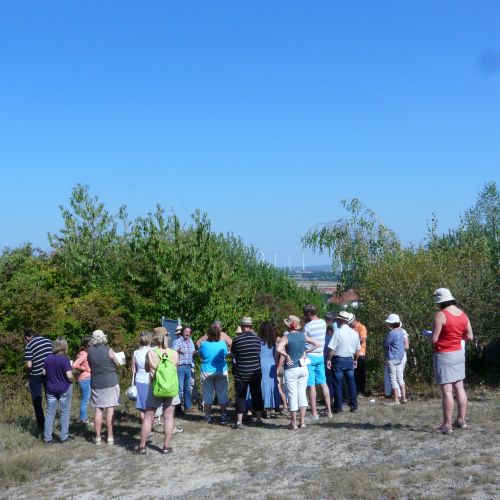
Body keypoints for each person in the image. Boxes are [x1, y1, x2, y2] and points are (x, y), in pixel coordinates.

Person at [431, 288, 473, 434]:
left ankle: (447, 425)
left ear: (440, 302)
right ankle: (461, 420)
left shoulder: (440, 315)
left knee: (447, 391)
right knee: (459, 387)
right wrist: (455, 337)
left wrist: (429, 336)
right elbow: (470, 337)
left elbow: (434, 339)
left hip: (444, 355)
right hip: (458, 354)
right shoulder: (463, 314)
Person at [136, 330, 180, 455]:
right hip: (171, 389)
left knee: (148, 418)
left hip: (155, 388)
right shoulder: (174, 353)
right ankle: (166, 447)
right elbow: (175, 368)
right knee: (169, 417)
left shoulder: (151, 353)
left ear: (155, 339)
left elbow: (146, 369)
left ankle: (142, 447)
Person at [277, 315, 321, 429]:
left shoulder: (286, 337)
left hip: (291, 368)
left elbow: (278, 348)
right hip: (303, 367)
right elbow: (318, 344)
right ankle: (302, 421)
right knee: (302, 394)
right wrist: (306, 351)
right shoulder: (303, 336)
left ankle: (293, 423)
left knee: (292, 395)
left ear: (288, 325)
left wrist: (286, 355)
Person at [87, 329, 121, 445]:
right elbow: (117, 364)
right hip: (110, 382)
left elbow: (91, 365)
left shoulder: (89, 352)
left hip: (96, 382)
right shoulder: (109, 350)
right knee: (110, 409)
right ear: (103, 338)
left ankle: (97, 437)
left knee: (98, 409)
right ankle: (110, 437)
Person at [231, 317, 264, 429]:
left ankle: (239, 422)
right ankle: (259, 419)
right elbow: (258, 354)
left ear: (242, 326)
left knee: (240, 396)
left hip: (241, 372)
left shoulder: (236, 340)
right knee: (257, 395)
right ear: (251, 327)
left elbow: (234, 355)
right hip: (255, 371)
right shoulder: (257, 339)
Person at [326, 311, 361, 413]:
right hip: (349, 359)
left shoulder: (338, 333)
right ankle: (354, 406)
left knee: (337, 384)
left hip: (338, 359)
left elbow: (332, 349)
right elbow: (358, 350)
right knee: (351, 383)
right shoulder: (355, 333)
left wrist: (328, 359)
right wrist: (355, 360)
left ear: (340, 320)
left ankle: (338, 407)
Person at [303, 305, 332, 420]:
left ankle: (314, 413)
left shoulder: (307, 326)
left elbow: (305, 341)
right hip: (320, 355)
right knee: (323, 383)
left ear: (309, 314)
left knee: (311, 385)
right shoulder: (323, 323)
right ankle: (329, 410)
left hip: (310, 356)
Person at [43, 338, 74, 443]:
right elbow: (69, 376)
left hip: (51, 388)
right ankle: (64, 436)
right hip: (64, 388)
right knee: (64, 412)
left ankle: (47, 438)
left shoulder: (48, 358)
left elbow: (44, 372)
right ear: (64, 347)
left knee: (50, 413)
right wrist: (73, 379)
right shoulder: (65, 359)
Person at [198, 323, 229, 424]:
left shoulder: (203, 344)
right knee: (222, 394)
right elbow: (225, 354)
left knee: (207, 395)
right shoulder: (222, 344)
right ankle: (223, 415)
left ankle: (208, 416)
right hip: (221, 370)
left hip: (207, 371)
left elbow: (201, 355)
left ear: (208, 334)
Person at [24, 329, 53, 432]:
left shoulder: (29, 345)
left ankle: (41, 425)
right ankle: (51, 422)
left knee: (37, 400)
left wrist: (27, 371)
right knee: (50, 398)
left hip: (35, 375)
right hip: (49, 372)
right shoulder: (48, 341)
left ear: (27, 337)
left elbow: (29, 365)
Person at [383, 314, 406, 406]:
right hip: (400, 357)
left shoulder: (392, 333)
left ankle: (396, 400)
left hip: (392, 358)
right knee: (400, 378)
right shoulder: (401, 332)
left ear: (392, 323)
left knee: (393, 379)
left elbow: (386, 344)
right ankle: (404, 398)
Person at [258, 321, 280, 417]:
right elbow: (275, 356)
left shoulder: (259, 341)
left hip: (261, 365)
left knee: (261, 386)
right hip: (271, 366)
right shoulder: (273, 342)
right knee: (270, 387)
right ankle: (269, 409)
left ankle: (261, 408)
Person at [172, 326, 196, 413]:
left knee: (187, 388)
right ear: (182, 332)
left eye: (189, 332)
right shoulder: (177, 341)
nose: (188, 333)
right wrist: (178, 351)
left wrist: (197, 352)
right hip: (180, 367)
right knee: (179, 388)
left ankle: (187, 406)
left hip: (189, 366)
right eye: (186, 331)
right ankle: (177, 408)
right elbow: (173, 352)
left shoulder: (191, 341)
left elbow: (193, 352)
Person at [131, 331, 152, 423]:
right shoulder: (152, 351)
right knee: (150, 405)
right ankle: (149, 427)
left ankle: (144, 425)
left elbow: (133, 369)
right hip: (150, 379)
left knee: (141, 405)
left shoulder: (136, 352)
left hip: (139, 379)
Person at [72, 336, 92, 424]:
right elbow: (74, 365)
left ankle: (84, 418)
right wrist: (83, 368)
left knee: (86, 399)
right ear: (87, 345)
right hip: (85, 379)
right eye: (92, 343)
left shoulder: (87, 353)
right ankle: (83, 420)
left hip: (87, 378)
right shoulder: (83, 354)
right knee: (85, 400)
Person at [351, 315, 368, 396]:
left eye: (351, 321)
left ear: (355, 320)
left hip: (360, 353)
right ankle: (355, 390)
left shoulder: (361, 327)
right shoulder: (351, 328)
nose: (350, 322)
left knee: (361, 373)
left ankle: (361, 391)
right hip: (353, 353)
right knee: (354, 373)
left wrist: (353, 339)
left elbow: (363, 339)